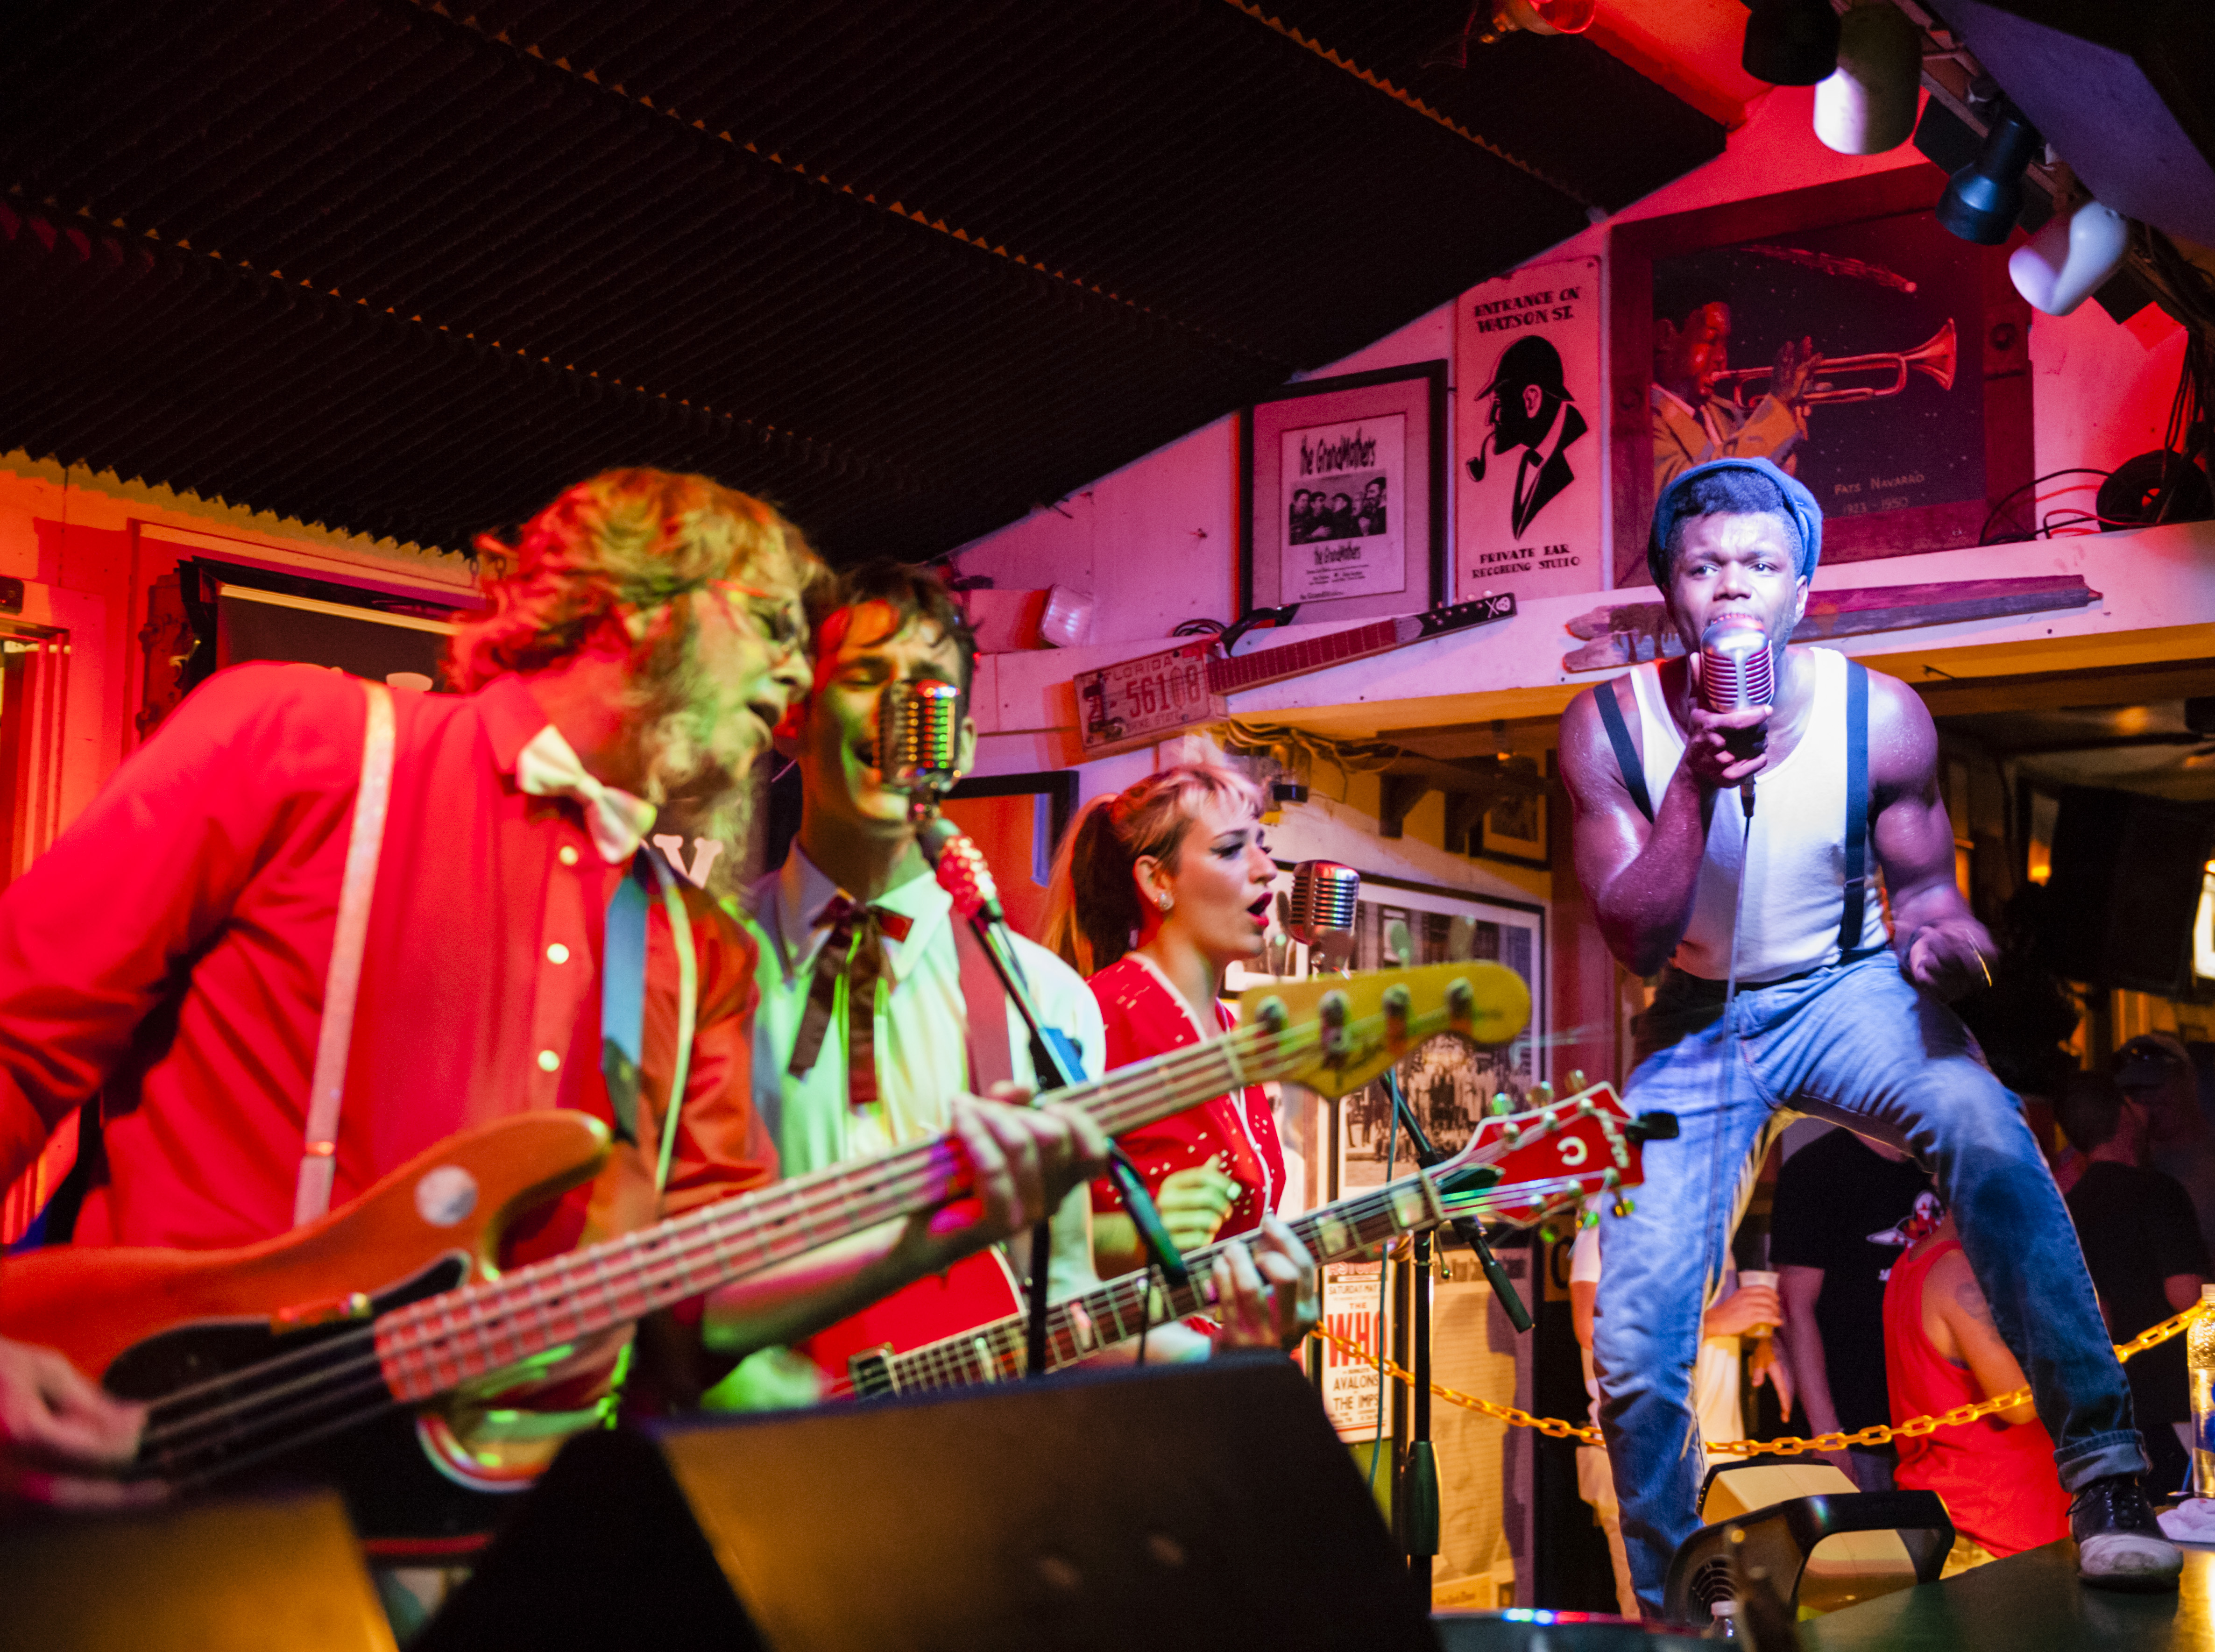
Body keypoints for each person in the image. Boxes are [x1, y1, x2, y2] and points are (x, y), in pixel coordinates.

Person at [0, 472, 1099, 1510]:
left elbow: (693, 1304)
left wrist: (932, 1226)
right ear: (639, 605)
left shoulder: (696, 947)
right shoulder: (301, 743)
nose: (793, 678)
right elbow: (19, 1037)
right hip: (151, 1471)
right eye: (770, 626)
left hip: (484, 1536)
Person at [1557, 455, 2179, 1610]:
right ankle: (1672, 1601)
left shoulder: (1880, 716)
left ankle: (2103, 1475)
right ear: (1668, 586)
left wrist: (1945, 943)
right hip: (1693, 1014)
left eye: (1758, 564)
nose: (1732, 588)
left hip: (1844, 985)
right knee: (1638, 1332)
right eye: (1704, 566)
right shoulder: (1606, 728)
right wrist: (1695, 779)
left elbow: (1928, 895)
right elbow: (1635, 938)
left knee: (1987, 1137)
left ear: (1801, 587)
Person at [725, 565, 1309, 1405]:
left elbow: (1056, 1300)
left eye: (929, 690)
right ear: (792, 717)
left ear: (959, 745)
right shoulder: (702, 958)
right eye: (863, 676)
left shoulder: (1043, 1001)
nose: (900, 707)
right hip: (734, 1454)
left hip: (958, 1458)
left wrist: (1235, 1356)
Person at [1040, 761, 1288, 1278]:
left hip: (1226, 1351)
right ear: (1157, 880)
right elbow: (1026, 1227)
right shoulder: (1101, 1015)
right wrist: (1126, 1238)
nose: (1266, 868)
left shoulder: (1232, 1030)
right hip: (1129, 1354)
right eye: (1229, 849)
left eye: (1261, 845)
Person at [1569, 1208, 1786, 1618]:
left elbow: (1706, 1336)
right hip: (1645, 1457)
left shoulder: (1710, 1219)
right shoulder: (1606, 1219)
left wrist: (1761, 1344)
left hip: (1722, 1461)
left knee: (1723, 1619)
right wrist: (1719, 1320)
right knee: (1661, 1615)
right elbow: (1589, 1326)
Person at [1884, 1201, 2073, 1572]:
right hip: (1989, 1535)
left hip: (1977, 1523)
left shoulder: (1915, 1260)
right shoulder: (1959, 1269)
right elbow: (2018, 1403)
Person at [2056, 1070, 2210, 1497]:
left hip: (2109, 1410)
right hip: (2170, 1400)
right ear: (2122, 1116)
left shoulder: (2067, 1207)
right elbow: (2187, 1296)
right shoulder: (2158, 1192)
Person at [1771, 1124, 1937, 1492]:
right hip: (1854, 1421)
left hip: (1936, 1423)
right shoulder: (1816, 1169)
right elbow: (1794, 1308)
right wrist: (1827, 1434)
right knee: (1864, 1547)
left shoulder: (1933, 1168)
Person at [1635, 294, 1819, 585]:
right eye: (1711, 341)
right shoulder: (1643, 421)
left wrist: (1791, 424)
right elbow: (1697, 489)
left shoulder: (1726, 414)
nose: (1722, 358)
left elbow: (1764, 491)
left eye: (1725, 345)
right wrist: (1777, 415)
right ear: (1665, 337)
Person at [2115, 1034, 2215, 1298]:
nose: (2146, 1100)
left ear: (2189, 1080)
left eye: (2155, 1084)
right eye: (2135, 1091)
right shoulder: (2126, 1173)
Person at [1473, 335, 1589, 537]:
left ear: (1530, 400)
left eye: (1498, 404)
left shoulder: (1583, 454)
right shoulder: (1531, 458)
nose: (1490, 419)